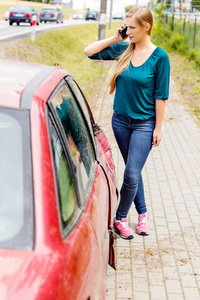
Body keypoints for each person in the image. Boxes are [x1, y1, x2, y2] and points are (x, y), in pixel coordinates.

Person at [84, 5, 170, 239]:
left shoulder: (159, 57)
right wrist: (114, 38)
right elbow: (88, 52)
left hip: (144, 124)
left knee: (131, 173)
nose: (128, 31)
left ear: (146, 27)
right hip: (120, 122)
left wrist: (158, 128)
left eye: (132, 27)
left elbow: (161, 95)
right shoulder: (123, 50)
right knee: (134, 170)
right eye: (126, 26)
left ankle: (120, 218)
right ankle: (143, 214)